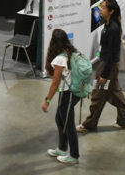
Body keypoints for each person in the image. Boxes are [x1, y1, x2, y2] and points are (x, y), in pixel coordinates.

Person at [77, 0, 125, 132]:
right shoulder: (108, 25)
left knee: (98, 94)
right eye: (101, 7)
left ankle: (89, 124)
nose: (100, 10)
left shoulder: (113, 28)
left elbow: (112, 53)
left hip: (108, 66)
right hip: (108, 64)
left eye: (103, 8)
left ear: (111, 11)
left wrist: (104, 74)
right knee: (113, 92)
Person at [42, 29, 81, 166]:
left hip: (67, 95)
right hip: (73, 92)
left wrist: (47, 101)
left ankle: (74, 156)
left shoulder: (60, 59)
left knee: (69, 125)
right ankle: (62, 148)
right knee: (60, 119)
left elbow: (54, 84)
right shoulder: (72, 52)